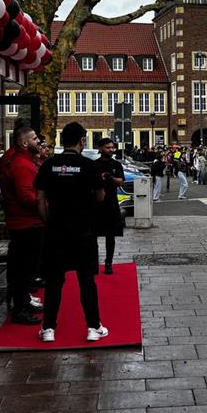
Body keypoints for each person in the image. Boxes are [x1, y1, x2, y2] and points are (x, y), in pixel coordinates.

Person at [34, 122, 108, 343]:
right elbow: (100, 196)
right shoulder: (89, 166)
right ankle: (93, 327)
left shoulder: (48, 165)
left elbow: (39, 199)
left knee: (54, 281)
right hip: (83, 231)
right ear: (81, 141)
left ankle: (48, 328)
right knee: (86, 281)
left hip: (56, 231)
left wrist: (49, 221)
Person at [0, 126, 45, 325]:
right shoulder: (22, 164)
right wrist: (44, 205)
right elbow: (26, 195)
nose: (39, 142)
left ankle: (23, 302)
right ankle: (20, 309)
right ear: (25, 143)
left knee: (23, 267)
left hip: (24, 221)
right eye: (35, 138)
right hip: (27, 223)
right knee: (24, 269)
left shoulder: (22, 160)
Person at [94, 138, 125, 275]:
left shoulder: (116, 164)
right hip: (96, 204)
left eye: (112, 147)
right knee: (93, 235)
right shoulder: (94, 165)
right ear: (100, 149)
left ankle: (108, 263)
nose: (111, 150)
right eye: (108, 147)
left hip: (111, 203)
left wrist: (110, 177)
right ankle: (94, 262)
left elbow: (120, 182)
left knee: (110, 235)